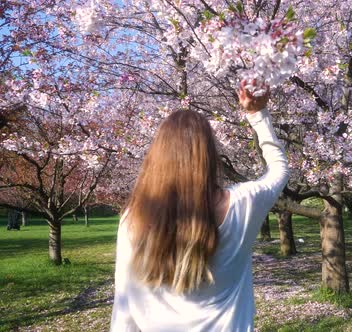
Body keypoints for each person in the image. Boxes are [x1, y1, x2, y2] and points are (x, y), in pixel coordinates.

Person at [110, 82, 289, 331]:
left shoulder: (134, 218)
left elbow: (125, 301)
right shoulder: (243, 204)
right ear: (210, 154)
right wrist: (257, 114)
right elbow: (278, 171)